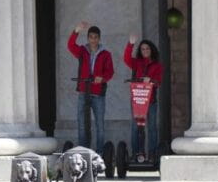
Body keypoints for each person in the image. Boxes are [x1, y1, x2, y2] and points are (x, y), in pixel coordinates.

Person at [67, 21, 114, 154]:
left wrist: (102, 78)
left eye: (95, 37)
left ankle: (99, 153)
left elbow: (110, 72)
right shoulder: (82, 51)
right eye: (91, 37)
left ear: (99, 38)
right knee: (82, 124)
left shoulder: (106, 54)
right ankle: (83, 153)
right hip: (83, 91)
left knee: (100, 125)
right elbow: (70, 46)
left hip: (98, 93)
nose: (93, 40)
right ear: (87, 38)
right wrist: (76, 31)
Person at [124, 34, 163, 161]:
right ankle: (136, 154)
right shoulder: (137, 63)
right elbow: (126, 59)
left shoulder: (157, 65)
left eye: (147, 49)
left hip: (151, 101)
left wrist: (150, 80)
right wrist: (130, 44)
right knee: (136, 127)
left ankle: (152, 154)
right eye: (143, 49)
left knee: (152, 128)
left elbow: (159, 82)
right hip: (137, 100)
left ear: (151, 50)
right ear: (140, 51)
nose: (145, 51)